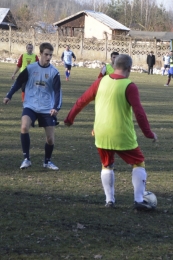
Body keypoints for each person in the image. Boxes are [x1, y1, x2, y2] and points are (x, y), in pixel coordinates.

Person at [64, 54, 157, 210]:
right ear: (129, 68)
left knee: (107, 165)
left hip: (101, 133)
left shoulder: (100, 82)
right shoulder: (129, 86)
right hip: (121, 134)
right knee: (138, 161)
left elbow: (81, 101)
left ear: (114, 66)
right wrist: (149, 133)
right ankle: (139, 200)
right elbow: (139, 113)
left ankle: (109, 200)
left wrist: (69, 119)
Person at [3, 42, 62, 170]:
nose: (48, 57)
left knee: (50, 139)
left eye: (50, 55)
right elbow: (18, 82)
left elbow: (58, 92)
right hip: (30, 105)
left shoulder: (54, 72)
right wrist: (9, 95)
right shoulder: (30, 69)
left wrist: (56, 108)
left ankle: (47, 162)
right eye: (46, 54)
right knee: (24, 127)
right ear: (40, 54)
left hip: (47, 108)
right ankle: (26, 159)